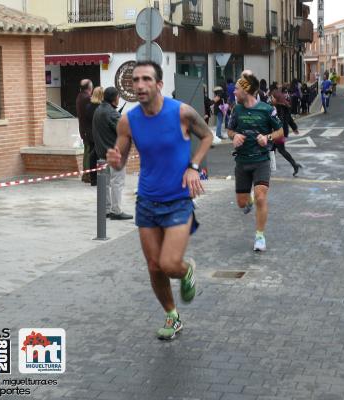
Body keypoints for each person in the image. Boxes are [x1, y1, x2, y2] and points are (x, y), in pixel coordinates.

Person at [106, 61, 213, 340]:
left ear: (159, 84)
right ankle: (172, 315)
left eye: (146, 79)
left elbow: (207, 136)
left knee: (169, 264)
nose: (139, 85)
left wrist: (194, 166)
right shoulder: (128, 121)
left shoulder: (181, 112)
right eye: (135, 80)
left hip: (178, 200)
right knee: (154, 266)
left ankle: (187, 270)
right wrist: (114, 161)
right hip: (147, 202)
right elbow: (119, 162)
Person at [227, 70, 284, 251]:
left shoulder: (267, 109)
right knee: (242, 203)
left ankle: (260, 236)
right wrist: (234, 136)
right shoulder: (237, 110)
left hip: (261, 160)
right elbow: (229, 130)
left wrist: (267, 138)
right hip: (242, 162)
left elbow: (281, 132)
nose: (234, 92)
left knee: (261, 197)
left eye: (236, 89)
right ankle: (248, 201)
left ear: (246, 90)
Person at [92, 87, 132, 221]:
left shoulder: (98, 110)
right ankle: (116, 210)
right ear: (114, 99)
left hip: (102, 153)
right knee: (117, 182)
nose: (119, 99)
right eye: (118, 97)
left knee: (106, 183)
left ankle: (106, 209)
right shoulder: (112, 113)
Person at [270, 90, 302, 176]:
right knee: (274, 149)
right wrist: (294, 128)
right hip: (280, 133)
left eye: (272, 97)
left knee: (276, 149)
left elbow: (280, 120)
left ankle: (294, 165)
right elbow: (290, 119)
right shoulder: (284, 107)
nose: (271, 99)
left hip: (278, 133)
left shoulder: (279, 108)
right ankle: (294, 165)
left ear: (276, 98)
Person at [85, 86, 103, 187]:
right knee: (98, 156)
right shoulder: (101, 108)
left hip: (90, 134)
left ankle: (93, 178)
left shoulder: (88, 106)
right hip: (98, 135)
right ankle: (100, 177)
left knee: (92, 156)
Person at [76, 79, 94, 184]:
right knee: (88, 151)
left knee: (87, 151)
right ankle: (87, 175)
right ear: (89, 88)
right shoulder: (87, 98)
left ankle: (86, 174)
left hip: (83, 129)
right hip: (88, 129)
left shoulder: (79, 96)